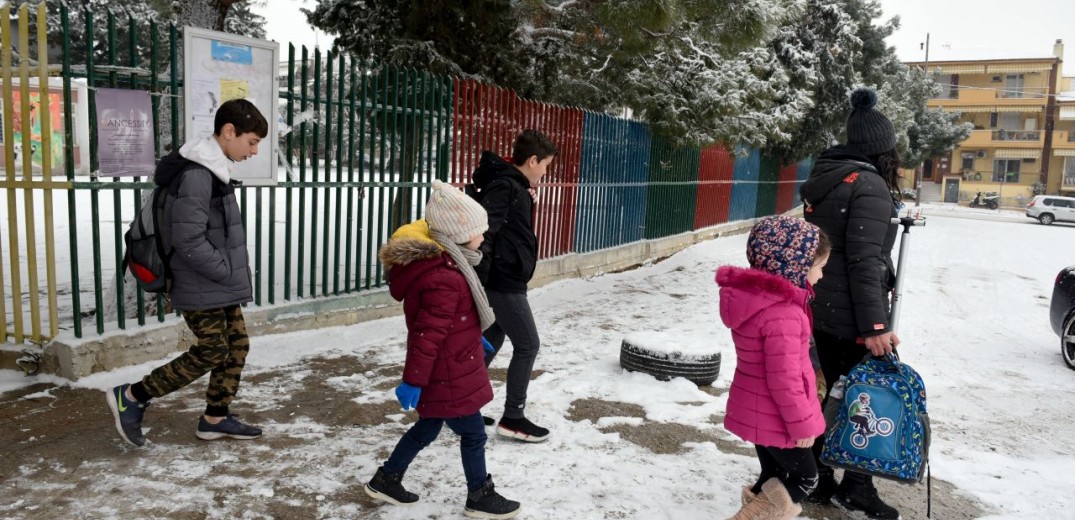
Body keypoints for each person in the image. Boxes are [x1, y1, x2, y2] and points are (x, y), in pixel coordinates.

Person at [105, 99, 267, 447]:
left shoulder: (211, 167)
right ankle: (132, 396)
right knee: (212, 350)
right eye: (252, 142)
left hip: (214, 282)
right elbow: (189, 239)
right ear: (228, 132)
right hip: (200, 281)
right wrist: (225, 270)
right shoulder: (197, 174)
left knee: (236, 345)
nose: (254, 151)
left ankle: (215, 418)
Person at [364, 180, 521, 519]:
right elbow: (427, 335)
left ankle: (387, 479)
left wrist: (468, 334)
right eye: (480, 231)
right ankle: (479, 495)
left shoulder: (450, 264)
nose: (484, 236)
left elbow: (446, 322)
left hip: (449, 363)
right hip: (445, 373)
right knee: (474, 434)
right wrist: (414, 381)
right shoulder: (444, 276)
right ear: (459, 234)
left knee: (427, 427)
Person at [798, 87, 903, 520]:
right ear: (882, 149)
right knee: (866, 400)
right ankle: (856, 487)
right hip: (854, 316)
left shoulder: (829, 175)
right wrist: (876, 328)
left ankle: (820, 479)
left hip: (821, 306)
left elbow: (835, 248)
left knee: (828, 396)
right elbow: (863, 260)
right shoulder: (871, 185)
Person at [716, 215, 830, 520]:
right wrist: (801, 425)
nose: (820, 277)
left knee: (773, 473)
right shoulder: (784, 315)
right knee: (805, 477)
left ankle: (755, 511)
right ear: (794, 267)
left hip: (757, 409)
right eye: (818, 268)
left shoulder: (755, 300)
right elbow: (786, 379)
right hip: (777, 415)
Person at [470, 129, 558, 442]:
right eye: (546, 164)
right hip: (502, 282)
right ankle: (513, 417)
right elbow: (485, 234)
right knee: (528, 344)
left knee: (492, 339)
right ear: (532, 160)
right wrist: (480, 283)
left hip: (505, 279)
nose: (547, 171)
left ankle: (461, 407)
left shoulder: (515, 186)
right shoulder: (506, 186)